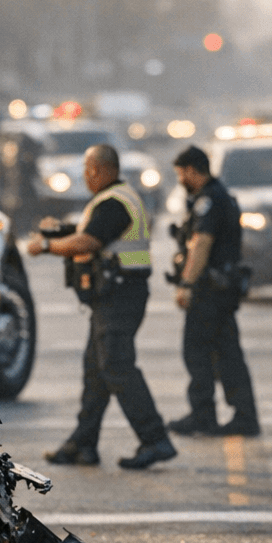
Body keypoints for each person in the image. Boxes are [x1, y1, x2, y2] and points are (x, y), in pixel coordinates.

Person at [25, 144, 176, 470]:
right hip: (115, 296)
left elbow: (89, 242)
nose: (85, 177)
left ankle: (155, 440)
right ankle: (82, 444)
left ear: (98, 170)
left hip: (120, 296)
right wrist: (60, 230)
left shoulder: (114, 203)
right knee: (96, 372)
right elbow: (90, 232)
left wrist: (47, 245)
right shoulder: (116, 199)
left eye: (87, 170)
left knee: (117, 367)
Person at [166, 145, 260, 437]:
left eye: (182, 174)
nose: (180, 179)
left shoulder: (208, 201)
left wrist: (186, 284)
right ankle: (244, 416)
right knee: (228, 353)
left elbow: (201, 244)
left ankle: (202, 415)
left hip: (209, 291)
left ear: (193, 171)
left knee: (196, 352)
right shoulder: (223, 197)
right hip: (224, 290)